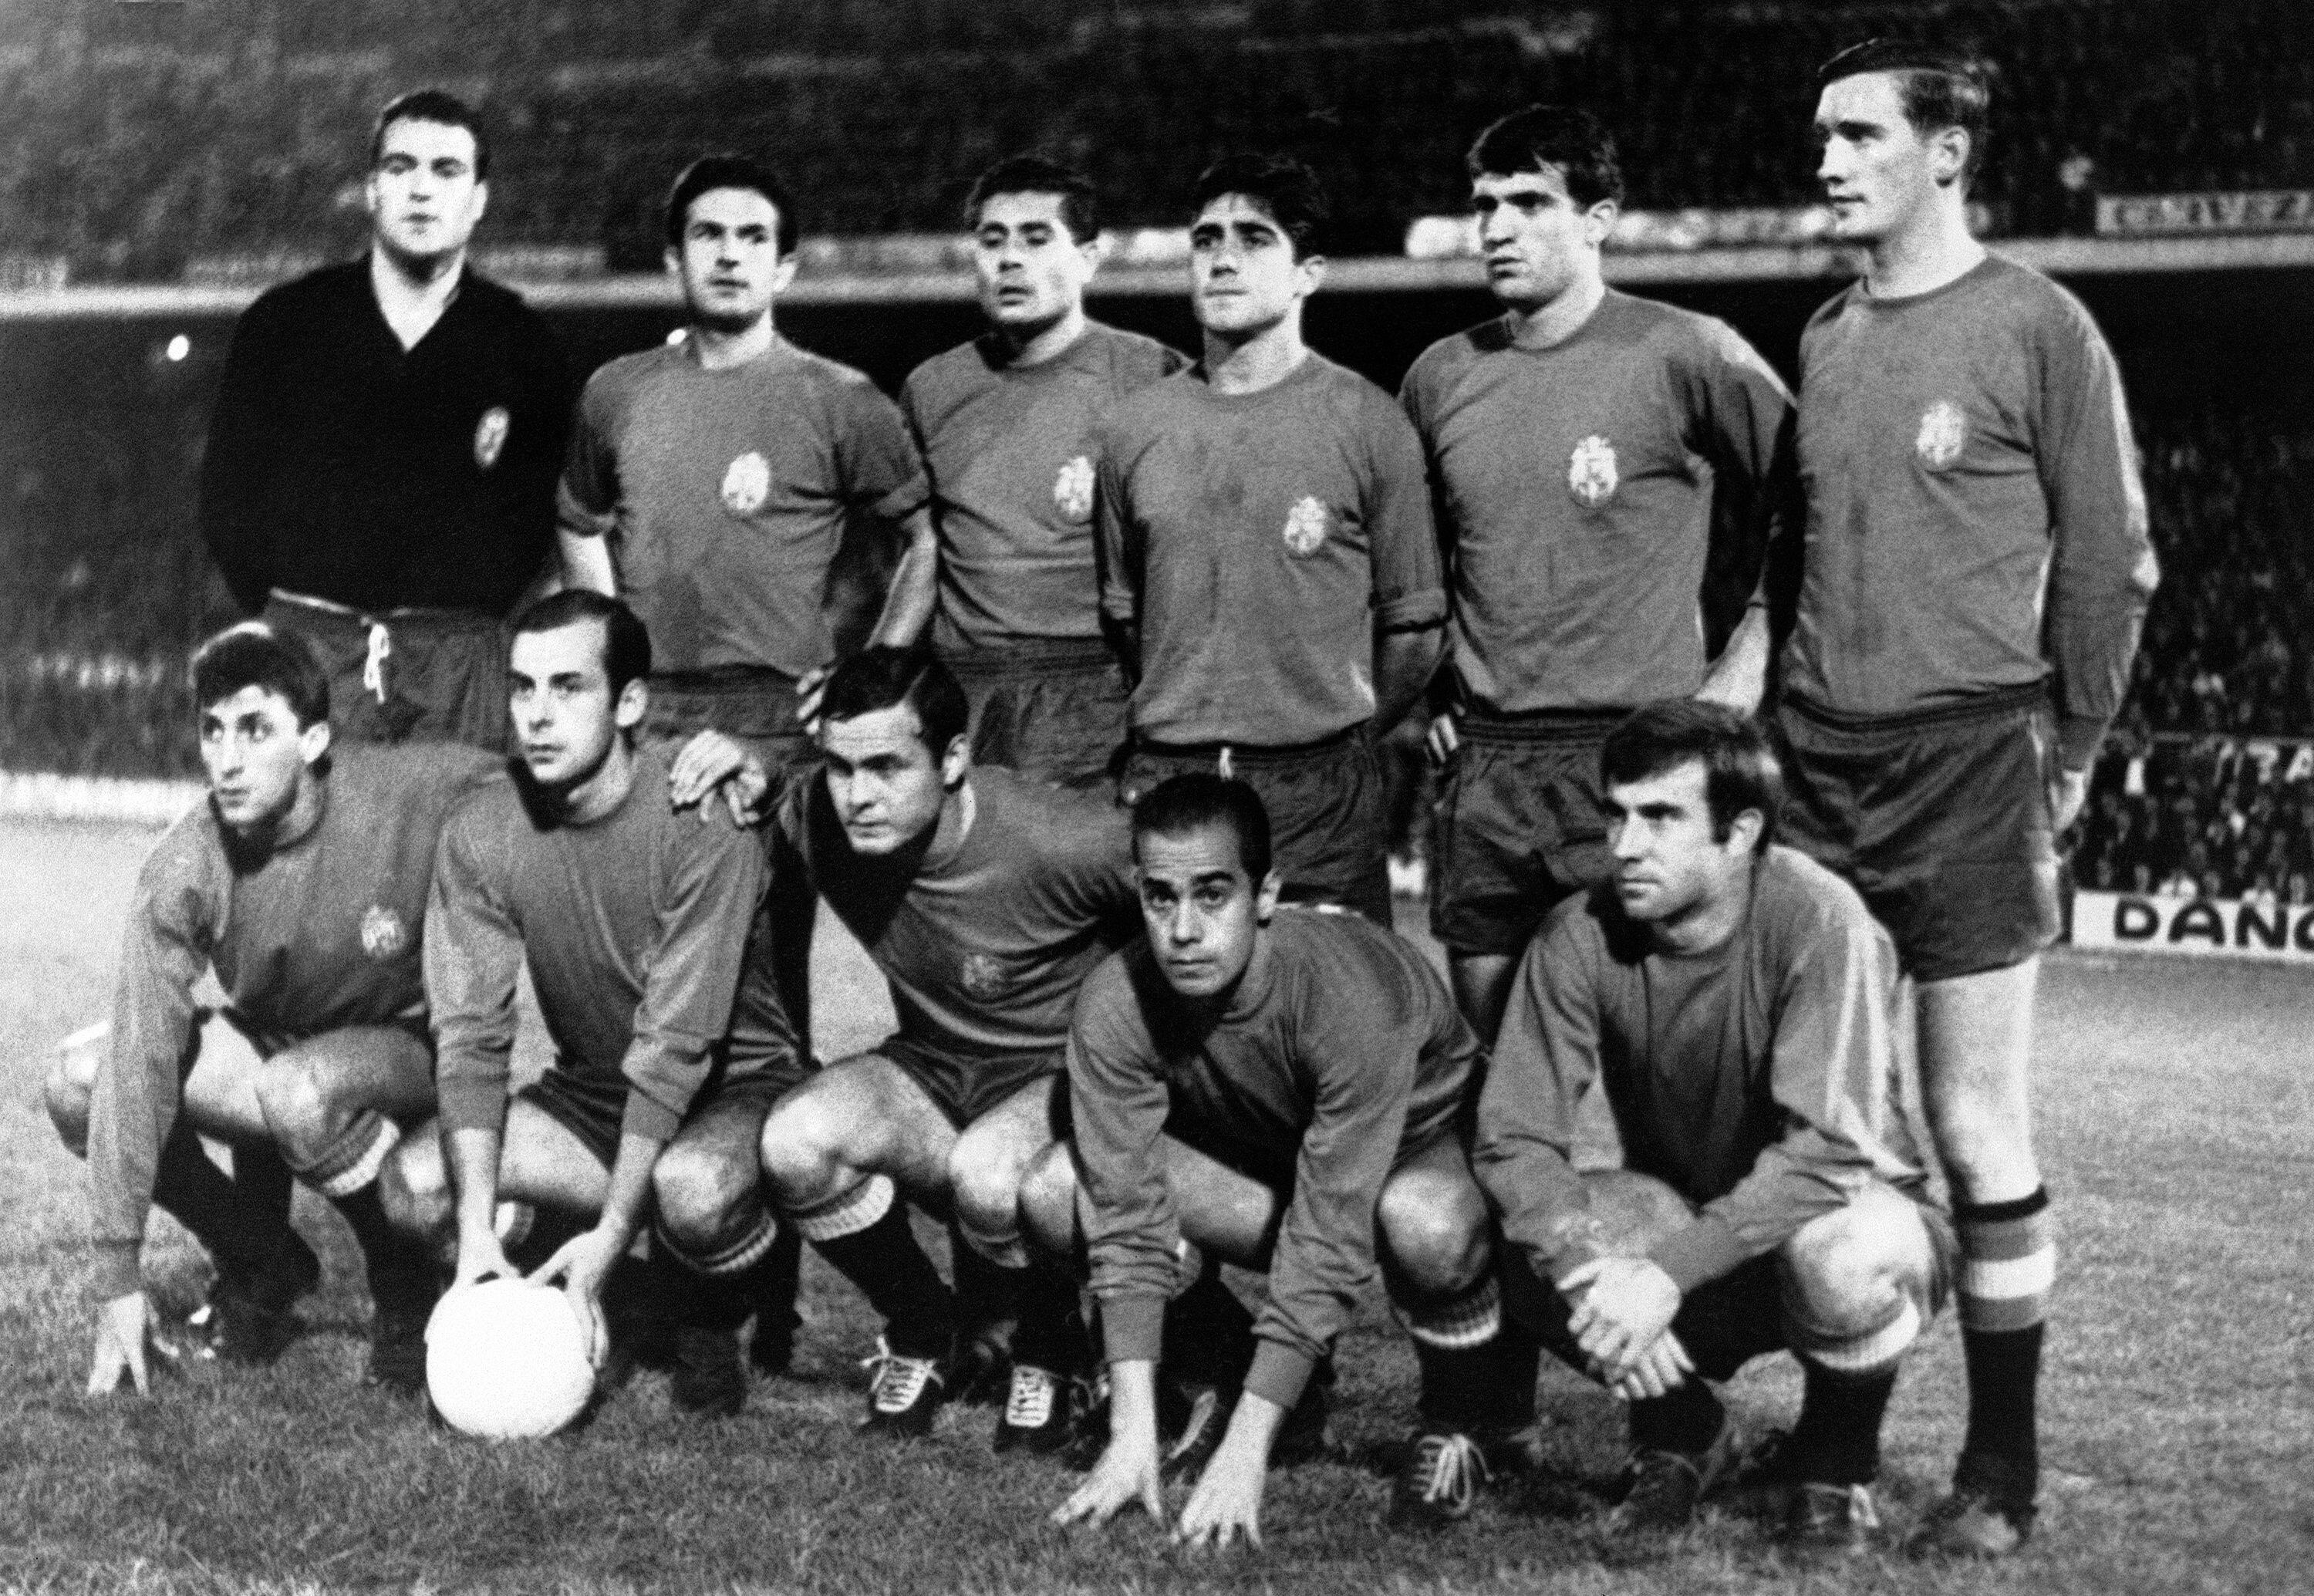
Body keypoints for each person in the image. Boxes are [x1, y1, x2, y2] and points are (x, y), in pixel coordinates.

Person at [1771, 39, 2157, 1556]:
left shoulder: (2039, 324)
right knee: (1824, 1125)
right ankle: (1834, 1453)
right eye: (1821, 135)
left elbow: (2112, 559)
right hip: (1816, 765)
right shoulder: (1822, 333)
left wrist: (2063, 756)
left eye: (1858, 134)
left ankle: (2002, 1467)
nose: (1827, 160)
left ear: (1948, 153)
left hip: (1974, 758)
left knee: (1974, 1118)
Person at [556, 153, 936, 1361]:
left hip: (776, 724)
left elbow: (917, 536)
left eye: (751, 235)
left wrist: (869, 670)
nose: (727, 252)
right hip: (650, 716)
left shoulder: (838, 398)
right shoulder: (619, 391)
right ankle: (685, 1255)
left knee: (759, 1000)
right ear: (675, 258)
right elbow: (575, 520)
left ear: (784, 262)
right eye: (705, 234)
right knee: (643, 985)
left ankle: (747, 1282)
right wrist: (614, 656)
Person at [1476, 701, 1955, 1551]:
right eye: (1617, 812)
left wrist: (1664, 1274)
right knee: (1524, 1242)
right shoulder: (1578, 934)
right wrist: (1594, 1269)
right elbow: (1514, 1136)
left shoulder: (1820, 917)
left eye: (1660, 816)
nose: (1624, 845)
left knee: (1840, 1251)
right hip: (1696, 1222)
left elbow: (1830, 1153)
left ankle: (1834, 1468)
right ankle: (1686, 1430)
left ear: (1739, 833)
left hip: (1848, 1217)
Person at [1042, 774, 1535, 1546]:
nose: (1183, 928)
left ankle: (1463, 1420)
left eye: (1213, 895)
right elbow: (1126, 1214)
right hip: (1287, 1152)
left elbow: (1330, 1231)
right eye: (1160, 897)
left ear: (1265, 893)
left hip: (1426, 1147)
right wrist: (1130, 1433)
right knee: (1055, 1186)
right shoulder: (1115, 1000)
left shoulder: (1345, 992)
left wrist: (1246, 1453)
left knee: (1424, 1222)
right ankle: (1226, 1367)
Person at [1402, 104, 1797, 1044]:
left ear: (1598, 217)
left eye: (1530, 202)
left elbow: (1816, 494)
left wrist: (1750, 655)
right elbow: (1408, 566)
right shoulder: (1440, 377)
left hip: (1636, 758)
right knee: (1491, 1078)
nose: (1497, 227)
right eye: (1485, 203)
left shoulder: (1685, 351)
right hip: (1488, 769)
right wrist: (1431, 683)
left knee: (1664, 1067)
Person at [378, 592, 805, 1418]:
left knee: (695, 1188)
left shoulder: (702, 812)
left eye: (568, 687)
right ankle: (621, 1288)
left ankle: (703, 1312)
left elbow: (678, 1044)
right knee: (415, 1183)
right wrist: (473, 1230)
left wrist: (612, 1234)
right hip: (595, 1097)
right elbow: (470, 1038)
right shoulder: (483, 825)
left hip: (732, 1092)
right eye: (522, 688)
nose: (537, 715)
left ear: (630, 701)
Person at [47, 623, 498, 1396]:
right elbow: (138, 1060)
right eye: (213, 731)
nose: (228, 758)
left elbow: (555, 780)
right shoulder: (186, 864)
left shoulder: (413, 790)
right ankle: (264, 1256)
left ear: (317, 736)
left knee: (300, 1087)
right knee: (78, 1079)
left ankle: (402, 1286)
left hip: (410, 1050)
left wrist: (722, 766)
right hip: (283, 1050)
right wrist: (118, 1273)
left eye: (256, 730)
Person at [746, 646, 1142, 1443]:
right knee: (794, 1140)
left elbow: (1186, 893)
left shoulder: (1062, 837)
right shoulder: (822, 817)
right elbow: (766, 789)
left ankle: (1048, 1341)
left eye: (888, 767)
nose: (859, 796)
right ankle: (927, 1326)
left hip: (1053, 1076)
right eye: (841, 767)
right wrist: (746, 756)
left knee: (988, 1172)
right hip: (933, 1066)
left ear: (955, 758)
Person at [1097, 155, 1445, 924]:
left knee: (1336, 1015)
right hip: (1172, 776)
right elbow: (1126, 618)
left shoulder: (1368, 421)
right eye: (1207, 238)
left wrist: (1339, 734)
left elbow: (1416, 628)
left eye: (1254, 238)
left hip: (1320, 783)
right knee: (1182, 1022)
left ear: (1308, 273)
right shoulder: (1133, 430)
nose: (1222, 257)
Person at [199, 89, 572, 751]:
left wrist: (463, 622)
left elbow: (537, 518)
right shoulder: (284, 325)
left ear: (480, 198)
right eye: (401, 168)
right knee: (310, 850)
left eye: (446, 171)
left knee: (455, 853)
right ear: (371, 190)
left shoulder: (523, 343)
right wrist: (297, 621)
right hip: (312, 650)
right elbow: (228, 499)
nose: (421, 190)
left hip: (459, 663)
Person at [901, 156, 1187, 788]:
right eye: (992, 241)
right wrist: (880, 667)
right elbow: (925, 548)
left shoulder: (1151, 376)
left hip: (1092, 686)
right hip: (963, 687)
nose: (1009, 260)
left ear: (1088, 258)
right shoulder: (933, 387)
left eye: (1036, 240)